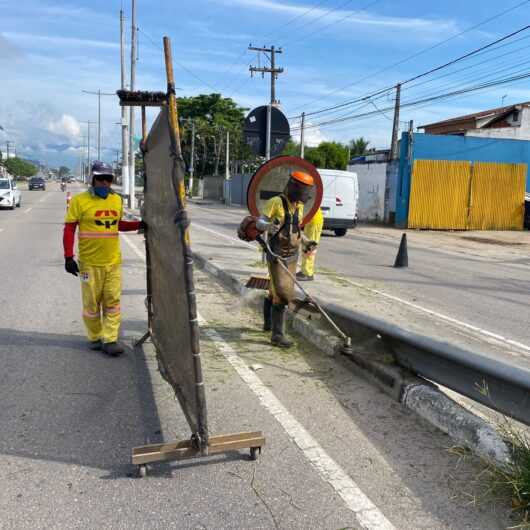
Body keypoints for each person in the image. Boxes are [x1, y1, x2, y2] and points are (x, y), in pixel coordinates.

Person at [63, 161, 143, 356]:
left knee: (112, 302)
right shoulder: (79, 201)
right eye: (101, 179)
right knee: (91, 306)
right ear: (93, 179)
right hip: (89, 264)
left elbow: (116, 225)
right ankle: (95, 336)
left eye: (109, 179)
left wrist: (139, 225)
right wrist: (68, 257)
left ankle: (110, 339)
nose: (105, 183)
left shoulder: (116, 200)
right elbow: (69, 229)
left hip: (113, 262)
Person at [256, 171, 317, 348]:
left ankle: (268, 325)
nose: (306, 194)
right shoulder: (276, 202)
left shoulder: (298, 206)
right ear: (294, 187)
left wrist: (306, 242)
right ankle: (277, 336)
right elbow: (259, 221)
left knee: (275, 291)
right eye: (304, 190)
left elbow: (296, 229)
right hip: (276, 254)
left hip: (292, 256)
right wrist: (268, 226)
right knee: (282, 294)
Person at [297, 207, 324, 281]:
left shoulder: (301, 199)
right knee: (305, 247)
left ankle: (307, 273)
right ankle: (304, 271)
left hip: (314, 222)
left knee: (310, 247)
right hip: (310, 222)